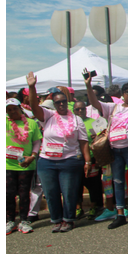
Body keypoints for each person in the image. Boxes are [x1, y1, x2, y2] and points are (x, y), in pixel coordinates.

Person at [85, 76, 128, 229]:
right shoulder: (112, 107)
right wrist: (88, 86)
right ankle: (120, 214)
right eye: (127, 92)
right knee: (117, 181)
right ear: (122, 94)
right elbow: (95, 102)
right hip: (115, 150)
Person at [26, 72, 91, 233]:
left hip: (69, 160)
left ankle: (68, 219)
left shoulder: (76, 120)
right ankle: (56, 219)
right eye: (57, 103)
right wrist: (32, 87)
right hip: (47, 162)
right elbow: (34, 106)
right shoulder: (48, 116)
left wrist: (87, 161)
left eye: (63, 102)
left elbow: (83, 143)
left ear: (66, 102)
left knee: (69, 192)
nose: (61, 105)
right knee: (51, 192)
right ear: (54, 105)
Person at [6, 98, 43, 235]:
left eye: (14, 108)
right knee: (8, 194)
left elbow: (36, 142)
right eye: (9, 110)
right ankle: (9, 221)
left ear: (20, 108)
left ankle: (24, 221)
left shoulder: (32, 123)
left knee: (24, 194)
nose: (12, 112)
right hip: (7, 165)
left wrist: (32, 156)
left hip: (26, 163)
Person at [72, 101, 105, 221]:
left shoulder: (94, 122)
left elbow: (104, 136)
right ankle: (78, 208)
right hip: (75, 158)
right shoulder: (71, 122)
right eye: (77, 109)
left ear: (86, 110)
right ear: (74, 111)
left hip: (92, 157)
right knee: (77, 184)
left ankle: (94, 206)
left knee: (93, 184)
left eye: (82, 109)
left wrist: (97, 137)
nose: (80, 111)